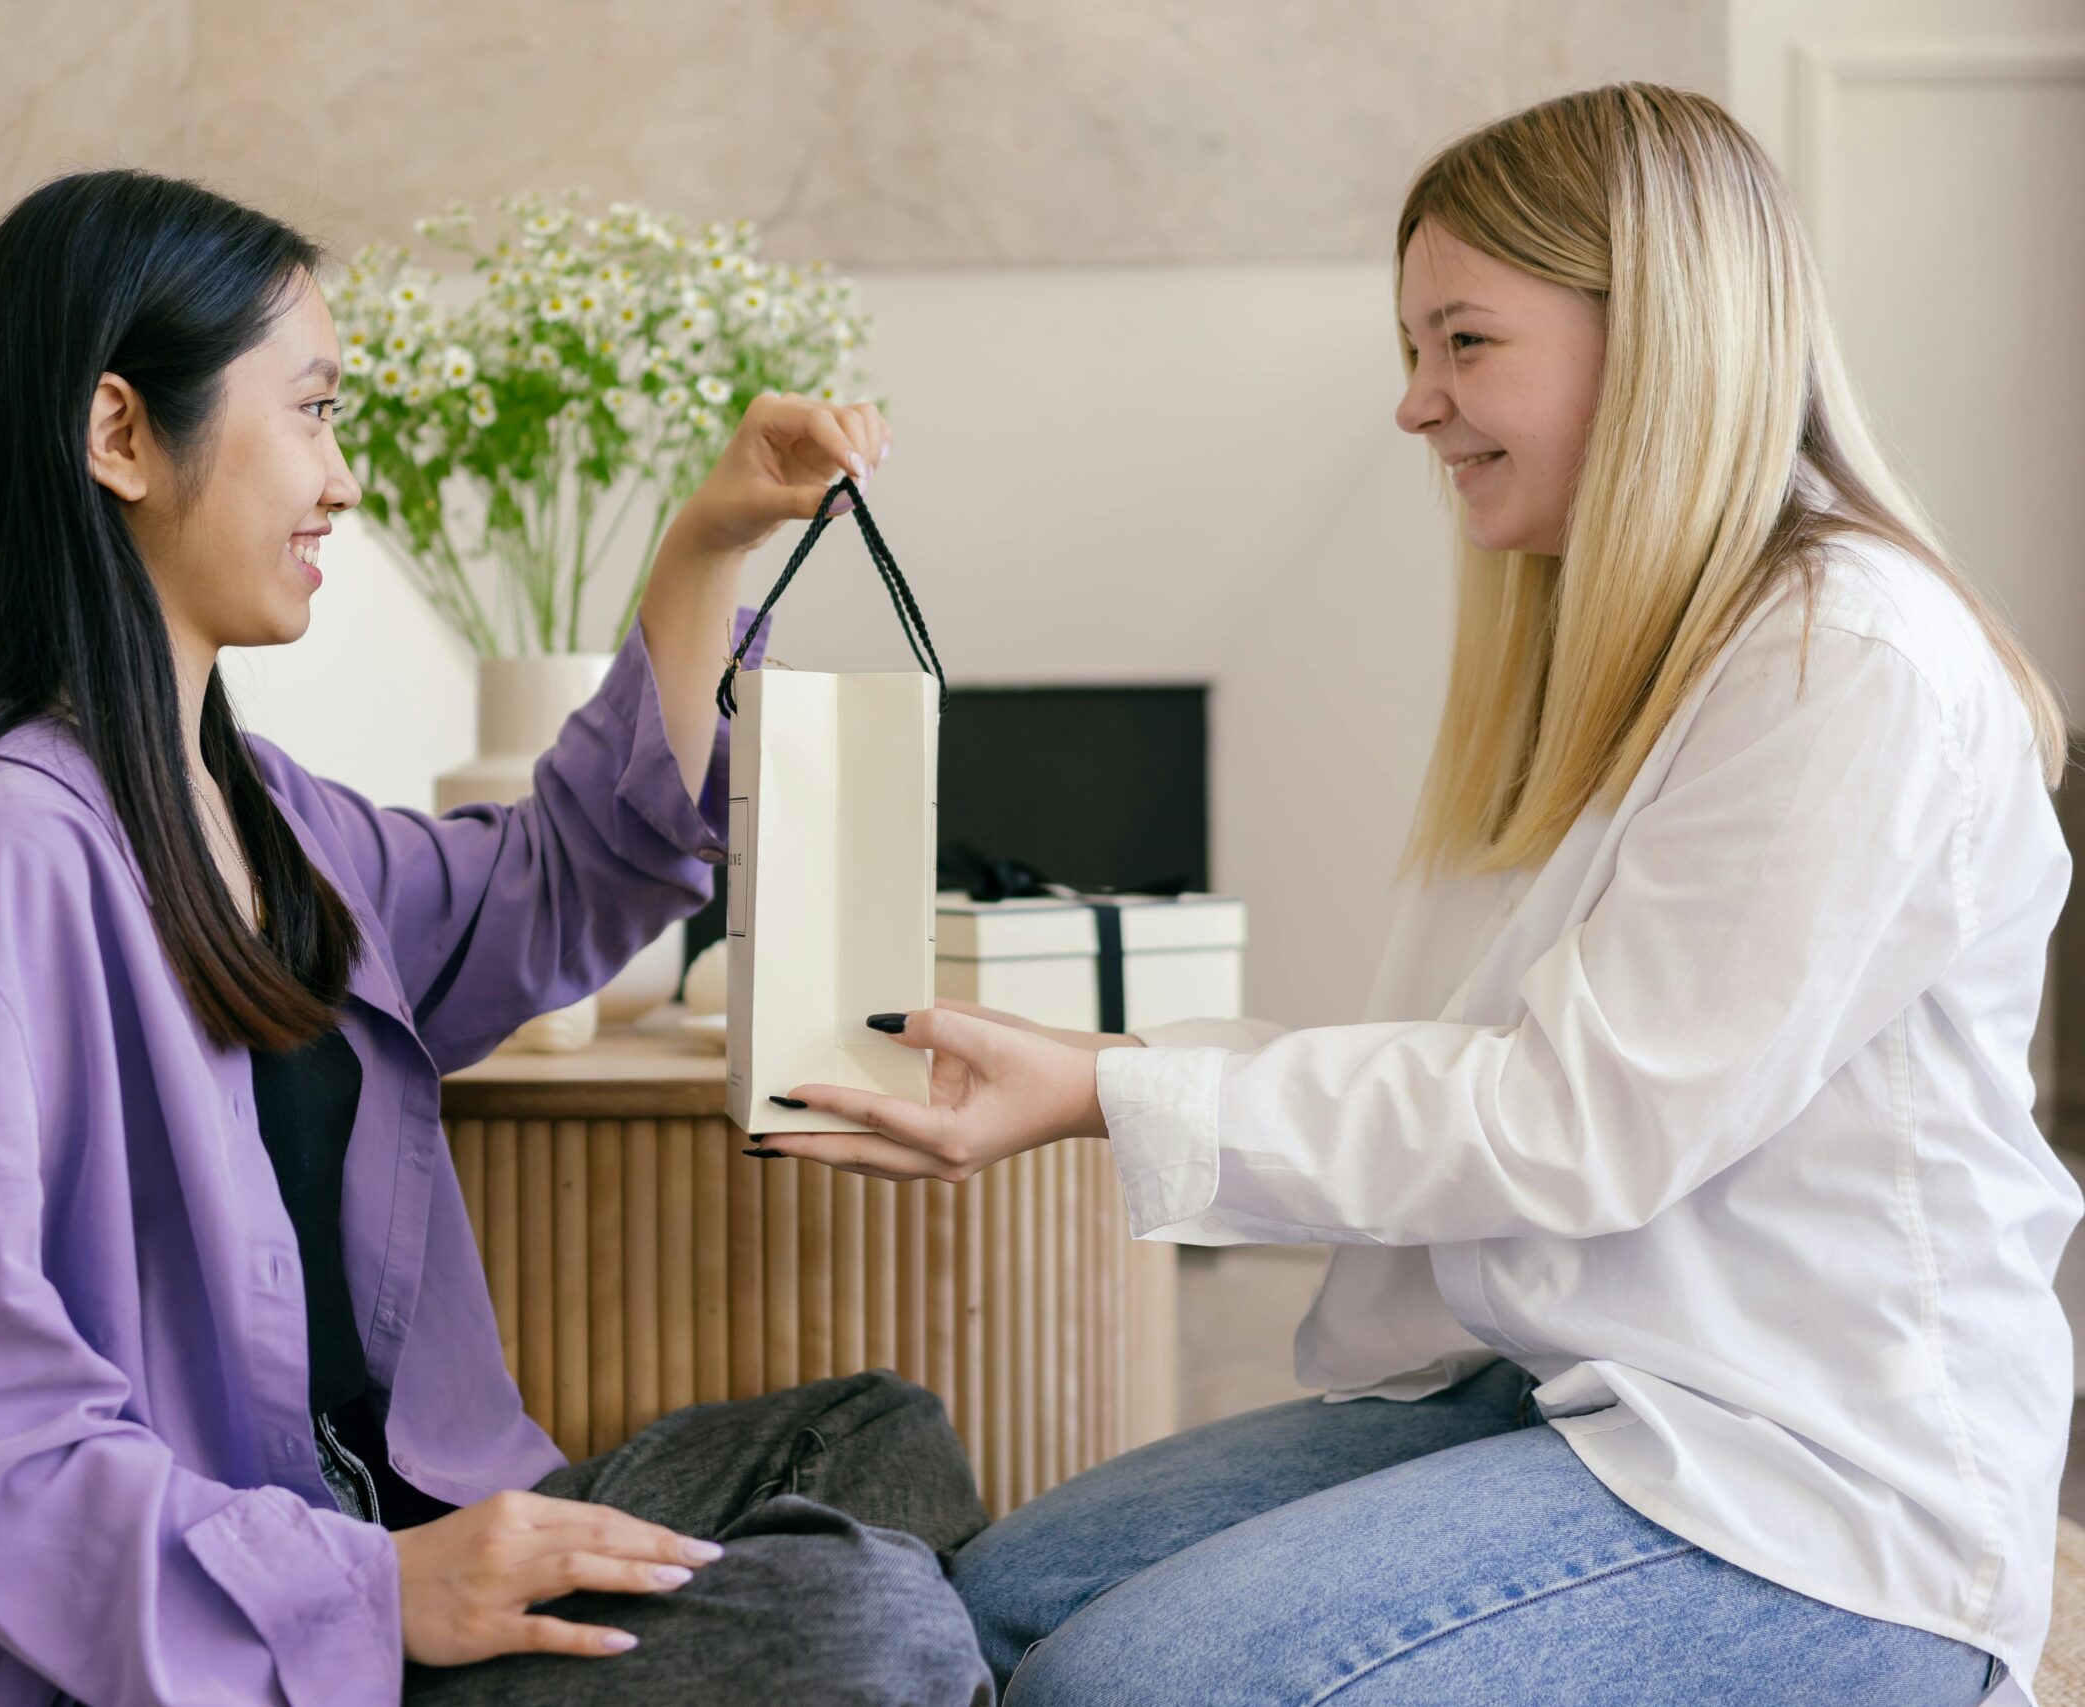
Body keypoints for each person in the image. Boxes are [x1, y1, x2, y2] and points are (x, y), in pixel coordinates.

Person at [761, 84, 2077, 1706]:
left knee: (1128, 1688)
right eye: (1414, 349)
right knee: (993, 1609)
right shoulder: (1630, 652)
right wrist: (1083, 1059)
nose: (1414, 405)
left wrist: (1109, 1093)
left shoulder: (1846, 665)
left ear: (1657, 336)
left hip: (1807, 1482)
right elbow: (1463, 1059)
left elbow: (1577, 1119)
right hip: (1565, 1391)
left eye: (1464, 343)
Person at [0, 169, 991, 1706]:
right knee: (865, 1624)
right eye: (317, 412)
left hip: (388, 1536)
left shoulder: (259, 812)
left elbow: (547, 886)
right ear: (121, 433)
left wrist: (706, 542)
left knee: (881, 1442)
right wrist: (376, 1589)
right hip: (247, 1634)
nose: (343, 483)